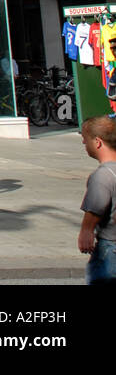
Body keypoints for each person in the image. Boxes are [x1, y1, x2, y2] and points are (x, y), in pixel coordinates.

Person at [78, 115, 116, 285]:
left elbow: (96, 207)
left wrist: (86, 231)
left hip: (110, 248)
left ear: (98, 142)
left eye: (85, 139)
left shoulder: (103, 175)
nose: (84, 144)